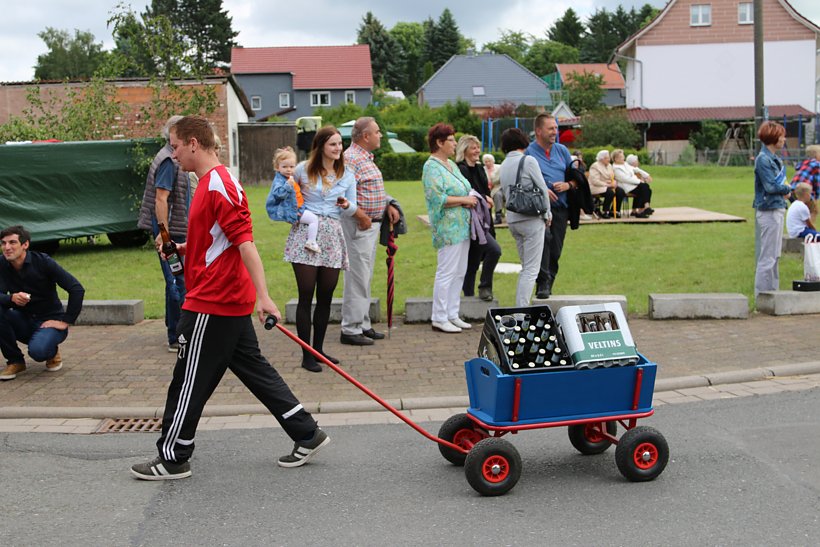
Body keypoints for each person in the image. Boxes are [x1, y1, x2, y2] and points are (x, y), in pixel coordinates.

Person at [130, 116, 329, 481]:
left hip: (213, 302)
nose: (172, 155)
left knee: (188, 379)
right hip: (224, 299)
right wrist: (184, 247)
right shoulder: (212, 182)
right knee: (254, 370)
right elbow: (218, 240)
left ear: (193, 143)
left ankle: (173, 457)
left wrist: (264, 298)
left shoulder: (217, 185)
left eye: (174, 147)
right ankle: (306, 432)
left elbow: (245, 243)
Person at [286, 126, 357, 371]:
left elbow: (352, 207)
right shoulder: (302, 170)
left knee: (326, 295)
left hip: (332, 235)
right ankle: (306, 354)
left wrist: (347, 205)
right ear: (320, 146)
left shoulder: (347, 173)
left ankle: (318, 350)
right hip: (306, 233)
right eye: (333, 144)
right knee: (306, 293)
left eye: (340, 144)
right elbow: (286, 194)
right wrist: (291, 211)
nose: (338, 148)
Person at [340, 117, 400, 346]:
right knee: (357, 277)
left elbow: (368, 189)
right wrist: (361, 216)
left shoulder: (363, 157)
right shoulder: (351, 159)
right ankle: (351, 328)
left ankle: (362, 324)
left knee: (364, 277)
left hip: (370, 225)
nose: (380, 135)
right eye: (377, 132)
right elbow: (342, 195)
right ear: (366, 136)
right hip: (360, 225)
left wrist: (388, 205)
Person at [0, 225, 84, 381]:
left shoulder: (43, 262)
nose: (7, 247)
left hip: (49, 321)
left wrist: (66, 321)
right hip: (22, 319)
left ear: (25, 245)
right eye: (3, 243)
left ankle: (50, 350)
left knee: (38, 352)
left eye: (12, 243)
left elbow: (76, 289)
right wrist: (10, 298)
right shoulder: (2, 264)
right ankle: (15, 361)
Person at [137, 115, 191, 353]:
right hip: (172, 234)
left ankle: (174, 331)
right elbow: (161, 198)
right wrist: (164, 234)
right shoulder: (169, 160)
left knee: (176, 281)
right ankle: (177, 337)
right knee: (177, 282)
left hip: (176, 231)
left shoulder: (171, 155)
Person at [422, 123, 477, 333]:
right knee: (446, 271)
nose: (455, 144)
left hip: (462, 225)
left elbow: (466, 187)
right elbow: (438, 198)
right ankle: (439, 316)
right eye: (452, 140)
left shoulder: (451, 165)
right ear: (439, 142)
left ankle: (452, 313)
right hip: (447, 227)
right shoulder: (431, 167)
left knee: (459, 271)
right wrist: (465, 199)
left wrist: (476, 197)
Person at [499, 129, 551, 306]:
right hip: (531, 218)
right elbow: (542, 188)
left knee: (526, 267)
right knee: (531, 269)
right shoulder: (528, 160)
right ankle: (522, 309)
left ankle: (521, 306)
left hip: (513, 218)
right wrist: (547, 213)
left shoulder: (504, 164)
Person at [525, 113, 573, 299]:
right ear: (538, 131)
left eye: (556, 128)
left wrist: (568, 185)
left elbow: (575, 176)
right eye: (551, 128)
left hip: (561, 208)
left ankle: (549, 282)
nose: (555, 132)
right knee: (544, 242)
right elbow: (524, 180)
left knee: (556, 249)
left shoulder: (562, 151)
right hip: (539, 210)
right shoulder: (529, 153)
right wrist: (543, 189)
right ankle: (542, 283)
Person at [456, 135, 501, 302]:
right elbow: (466, 194)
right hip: (471, 221)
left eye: (478, 147)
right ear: (465, 149)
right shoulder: (460, 169)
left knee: (474, 259)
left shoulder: (480, 168)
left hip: (484, 219)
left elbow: (486, 193)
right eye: (473, 148)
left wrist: (486, 199)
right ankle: (483, 288)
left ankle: (469, 298)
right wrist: (484, 198)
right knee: (493, 250)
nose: (477, 151)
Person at [753, 120, 790, 298]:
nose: (784, 139)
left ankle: (773, 294)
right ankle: (762, 296)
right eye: (781, 135)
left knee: (775, 256)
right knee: (767, 257)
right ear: (773, 138)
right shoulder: (763, 159)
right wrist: (789, 189)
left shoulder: (775, 159)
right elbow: (770, 186)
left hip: (778, 208)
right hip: (769, 211)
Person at [265, 146, 321, 253]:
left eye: (291, 166)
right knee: (314, 219)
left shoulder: (289, 178)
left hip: (299, 207)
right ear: (277, 167)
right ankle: (311, 241)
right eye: (285, 166)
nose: (289, 169)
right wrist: (287, 185)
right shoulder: (280, 181)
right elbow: (278, 194)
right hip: (295, 211)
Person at [612, 149, 653, 218]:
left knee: (646, 189)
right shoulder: (615, 168)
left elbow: (636, 169)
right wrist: (639, 181)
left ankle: (642, 210)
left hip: (633, 184)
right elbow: (626, 179)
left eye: (623, 156)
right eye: (621, 157)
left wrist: (646, 175)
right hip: (626, 187)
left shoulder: (625, 164)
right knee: (644, 187)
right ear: (616, 159)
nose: (623, 158)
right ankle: (643, 209)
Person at [588, 149, 626, 219]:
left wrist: (614, 182)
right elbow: (595, 181)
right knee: (610, 192)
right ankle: (605, 211)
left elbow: (612, 176)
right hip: (595, 187)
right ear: (601, 159)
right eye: (607, 158)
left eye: (608, 157)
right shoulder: (595, 166)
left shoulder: (609, 166)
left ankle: (615, 211)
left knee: (620, 191)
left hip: (607, 186)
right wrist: (608, 184)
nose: (609, 159)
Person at [483, 153, 504, 224]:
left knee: (498, 194)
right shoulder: (482, 169)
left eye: (489, 161)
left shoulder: (499, 168)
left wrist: (492, 183)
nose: (488, 163)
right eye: (486, 161)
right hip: (487, 189)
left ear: (493, 161)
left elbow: (501, 179)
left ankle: (498, 215)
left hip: (498, 188)